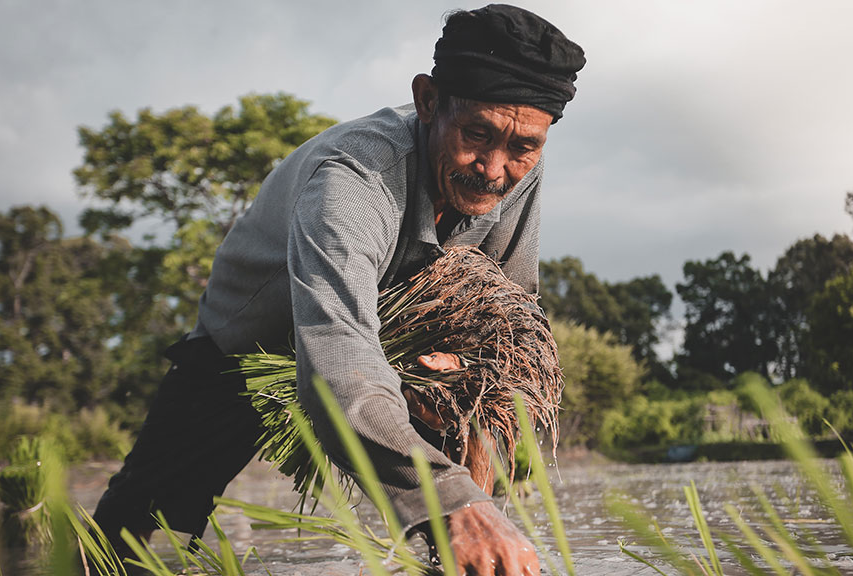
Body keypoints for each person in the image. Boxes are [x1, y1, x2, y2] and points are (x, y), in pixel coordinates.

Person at [92, 4, 585, 575]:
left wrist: (472, 379)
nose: (495, 168)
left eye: (522, 147)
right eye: (476, 134)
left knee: (470, 484)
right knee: (143, 530)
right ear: (427, 101)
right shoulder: (352, 179)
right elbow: (339, 365)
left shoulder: (519, 158)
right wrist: (453, 505)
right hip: (250, 348)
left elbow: (509, 305)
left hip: (397, 340)